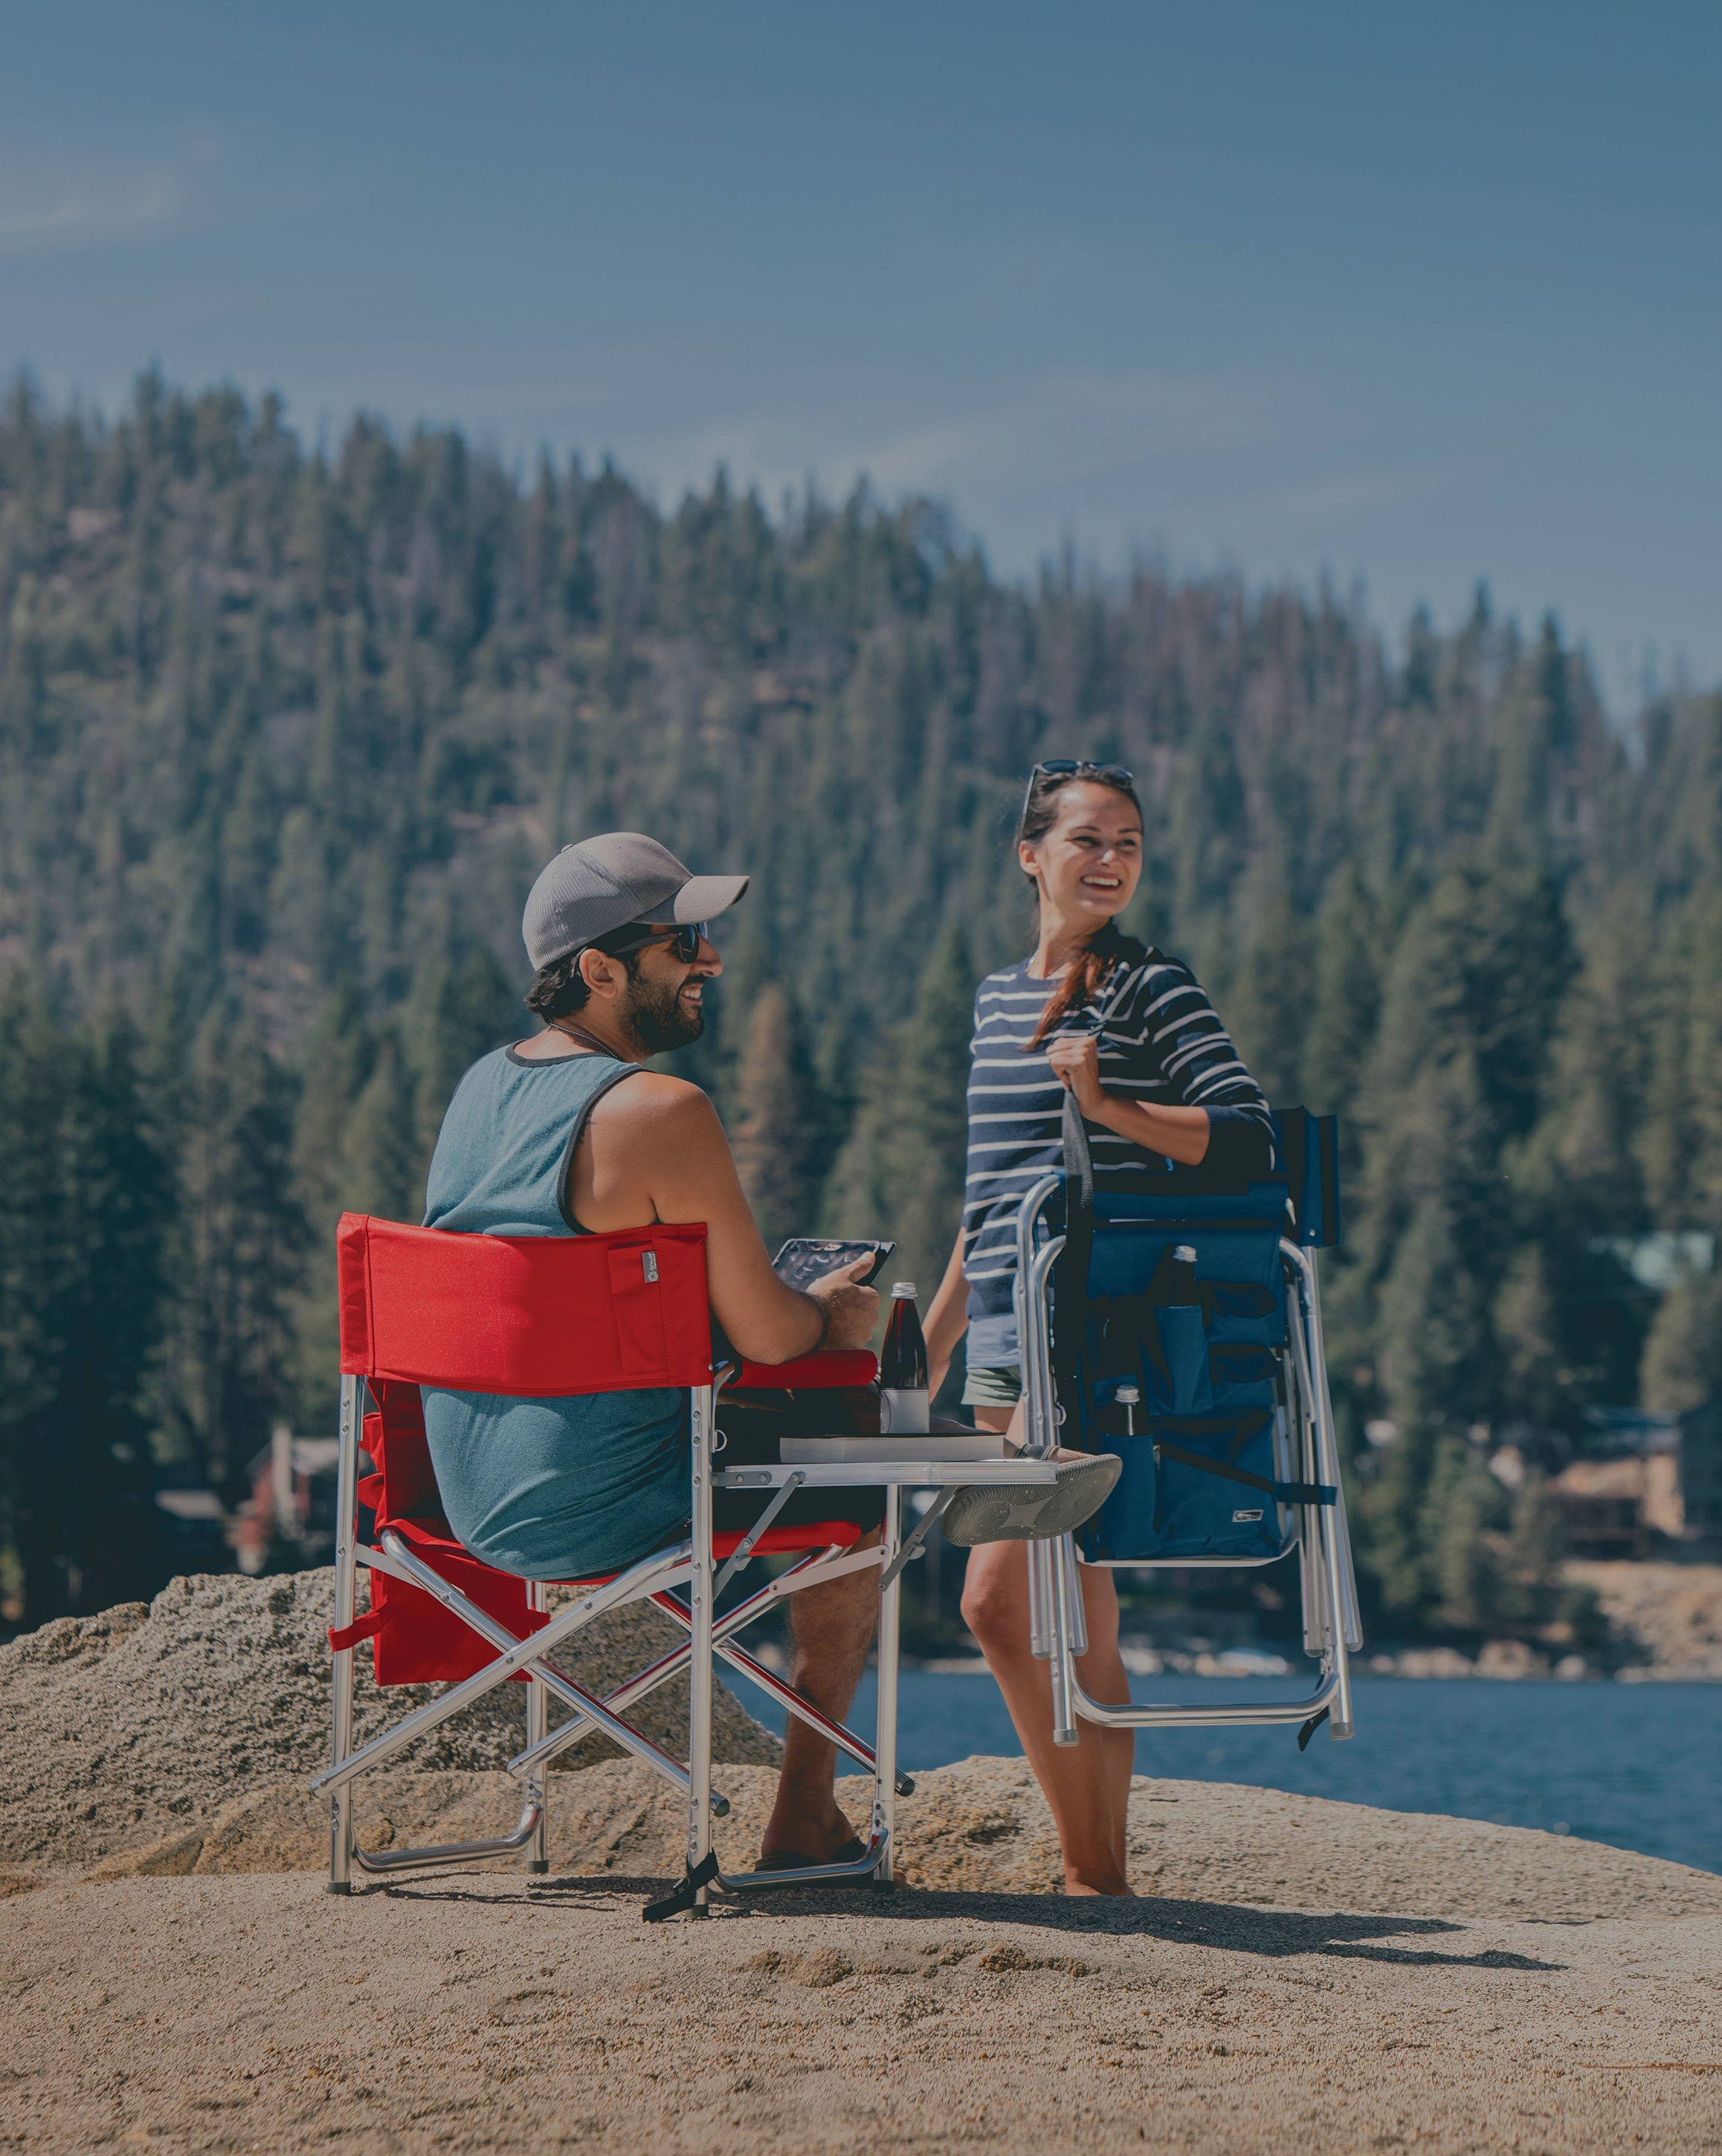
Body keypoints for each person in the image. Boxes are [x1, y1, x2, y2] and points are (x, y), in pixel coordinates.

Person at [421, 830, 884, 1872]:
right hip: (608, 1507)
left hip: (459, 1514)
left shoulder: (475, 1095)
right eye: (685, 941)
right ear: (599, 970)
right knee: (861, 1486)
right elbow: (768, 1335)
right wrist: (831, 1316)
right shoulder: (660, 1110)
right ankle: (803, 1817)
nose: (711, 961)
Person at [922, 763, 1273, 1894]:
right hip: (998, 1335)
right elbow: (984, 1207)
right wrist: (924, 1356)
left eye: (1127, 840)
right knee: (1066, 1608)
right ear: (1030, 854)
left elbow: (1248, 1139)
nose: (1111, 859)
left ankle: (1095, 1872)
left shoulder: (1152, 988)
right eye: (1086, 839)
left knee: (996, 1600)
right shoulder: (992, 1001)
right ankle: (1097, 1870)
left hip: (1090, 1331)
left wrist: (1110, 1105)